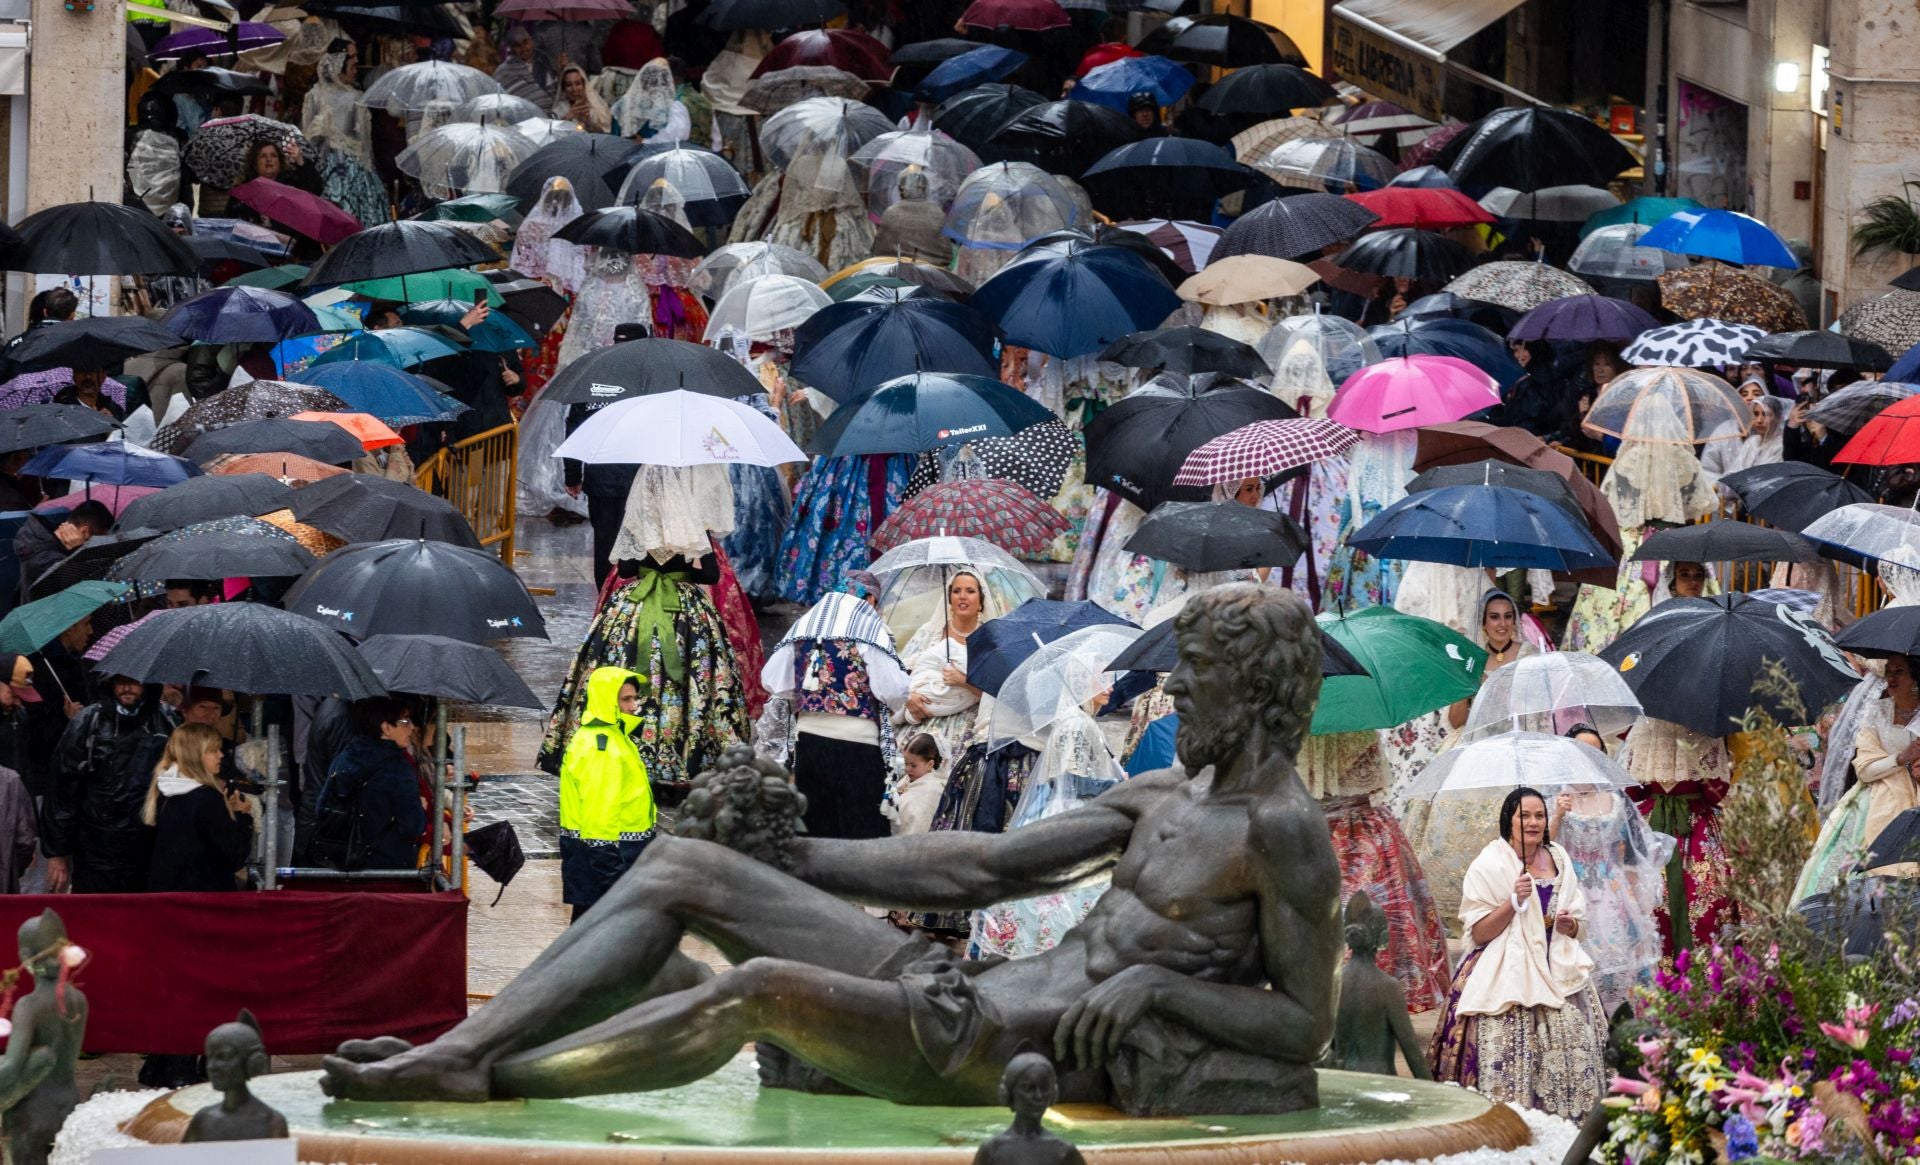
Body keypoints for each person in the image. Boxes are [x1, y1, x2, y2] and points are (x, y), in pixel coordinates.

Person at [321, 585, 1344, 1118]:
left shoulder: (1281, 831)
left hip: (994, 1055)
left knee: (758, 986)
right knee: (684, 866)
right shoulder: (1164, 791)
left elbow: (1303, 1026)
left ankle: (482, 1080)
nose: (1175, 692)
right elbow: (977, 868)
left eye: (1197, 674)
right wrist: (789, 858)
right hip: (964, 989)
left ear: (1252, 688)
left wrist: (1160, 992)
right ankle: (460, 1049)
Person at [536, 465, 749, 803]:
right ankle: (682, 761)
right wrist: (680, 572)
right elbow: (709, 574)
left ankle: (625, 754)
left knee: (624, 672)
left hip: (634, 608)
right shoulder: (692, 525)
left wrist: (652, 567)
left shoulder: (638, 521)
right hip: (684, 612)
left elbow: (625, 568)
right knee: (689, 683)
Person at [1427, 787, 1607, 1118]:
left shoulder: (1559, 857)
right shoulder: (1490, 862)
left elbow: (1578, 920)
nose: (1533, 822)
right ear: (1508, 820)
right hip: (1507, 966)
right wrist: (1513, 901)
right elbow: (1479, 933)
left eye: (1539, 815)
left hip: (1559, 964)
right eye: (1524, 815)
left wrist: (1570, 926)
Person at [1550, 724, 1673, 1014]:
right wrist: (1557, 814)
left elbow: (1632, 854)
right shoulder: (1555, 797)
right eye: (1581, 750)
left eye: (1595, 751)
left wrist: (1638, 905)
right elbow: (1543, 846)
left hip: (1611, 891)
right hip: (1571, 891)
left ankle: (1622, 1024)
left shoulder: (1617, 799)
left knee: (1622, 958)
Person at [1797, 652, 1920, 900]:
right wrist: (1901, 757)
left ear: (1915, 677)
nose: (1892, 678)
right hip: (1874, 801)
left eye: (1900, 671)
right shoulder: (1876, 712)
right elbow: (1864, 769)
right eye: (1889, 671)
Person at [43, 676, 178, 893]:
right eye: (120, 682)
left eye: (134, 682)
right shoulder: (89, 721)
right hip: (95, 848)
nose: (127, 688)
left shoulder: (165, 720)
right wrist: (57, 852)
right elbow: (63, 789)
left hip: (148, 846)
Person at [558, 667, 655, 922]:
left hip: (604, 854)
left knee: (589, 932)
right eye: (626, 699)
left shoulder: (611, 737)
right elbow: (599, 811)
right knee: (597, 934)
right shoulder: (602, 746)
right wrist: (613, 873)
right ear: (606, 700)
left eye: (635, 698)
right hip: (608, 855)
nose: (634, 706)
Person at [311, 698, 426, 872]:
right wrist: (420, 807)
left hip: (340, 862)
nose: (411, 727)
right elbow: (413, 826)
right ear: (386, 728)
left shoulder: (345, 757)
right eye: (405, 722)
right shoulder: (399, 770)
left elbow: (321, 808)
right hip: (386, 868)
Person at [1329, 892, 1431, 1078]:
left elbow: (1325, 1045)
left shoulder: (1333, 982)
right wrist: (1437, 1097)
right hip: (1380, 1084)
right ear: (1383, 938)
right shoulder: (1388, 987)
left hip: (1341, 1083)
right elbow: (1412, 1052)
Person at [144, 722, 253, 893]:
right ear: (194, 755)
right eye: (213, 750)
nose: (221, 755)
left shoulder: (161, 791)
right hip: (203, 903)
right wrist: (242, 815)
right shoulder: (207, 798)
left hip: (166, 899)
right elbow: (233, 857)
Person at [885, 733, 947, 838]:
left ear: (930, 764)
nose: (907, 769)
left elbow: (920, 821)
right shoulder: (907, 779)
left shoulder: (932, 790)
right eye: (906, 763)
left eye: (913, 765)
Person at [494, 27, 554, 105]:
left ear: (531, 41)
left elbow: (554, 89)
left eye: (525, 42)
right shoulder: (504, 71)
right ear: (512, 48)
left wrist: (562, 69)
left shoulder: (543, 60)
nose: (523, 48)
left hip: (549, 112)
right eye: (517, 45)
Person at [552, 64, 612, 133]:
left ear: (584, 85)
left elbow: (605, 133)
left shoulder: (596, 106)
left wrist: (588, 121)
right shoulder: (559, 109)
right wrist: (568, 116)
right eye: (569, 85)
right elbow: (554, 133)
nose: (574, 89)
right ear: (564, 89)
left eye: (578, 84)